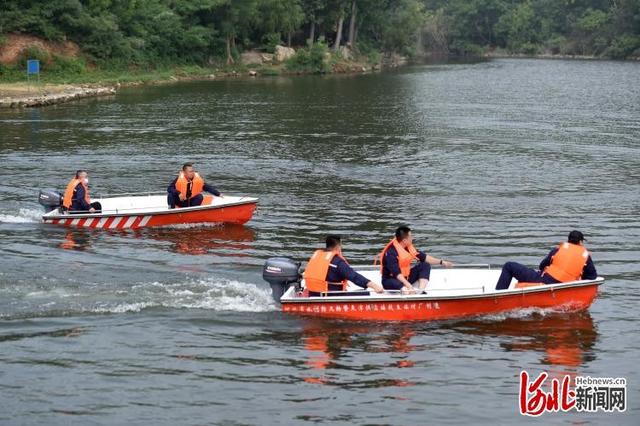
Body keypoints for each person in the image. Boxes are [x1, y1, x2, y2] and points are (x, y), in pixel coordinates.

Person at [495, 230, 597, 290]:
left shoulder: (558, 250)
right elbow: (592, 277)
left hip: (545, 281)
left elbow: (542, 265)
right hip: (563, 286)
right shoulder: (585, 256)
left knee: (509, 266)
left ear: (568, 240)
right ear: (580, 242)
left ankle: (498, 295)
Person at [379, 226, 453, 294]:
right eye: (411, 236)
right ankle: (406, 292)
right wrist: (409, 286)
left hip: (406, 277)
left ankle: (420, 291)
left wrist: (442, 262)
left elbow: (424, 257)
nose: (412, 238)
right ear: (404, 240)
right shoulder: (391, 253)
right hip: (391, 280)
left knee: (425, 265)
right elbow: (396, 273)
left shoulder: (408, 247)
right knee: (397, 284)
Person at [304, 235, 384, 297]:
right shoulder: (337, 262)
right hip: (329, 296)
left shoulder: (317, 257)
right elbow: (354, 276)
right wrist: (374, 286)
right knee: (365, 293)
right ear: (338, 246)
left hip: (313, 293)